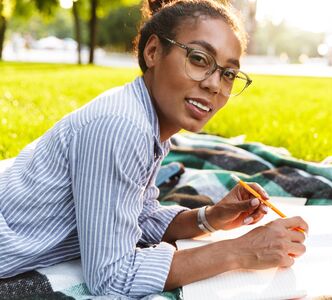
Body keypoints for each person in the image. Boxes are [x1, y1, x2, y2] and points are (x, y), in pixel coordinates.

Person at [0, 0, 308, 297]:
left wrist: (210, 217)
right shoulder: (121, 125)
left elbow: (139, 217)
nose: (215, 85)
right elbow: (111, 277)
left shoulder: (149, 125)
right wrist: (241, 251)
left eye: (228, 73)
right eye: (199, 59)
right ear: (153, 52)